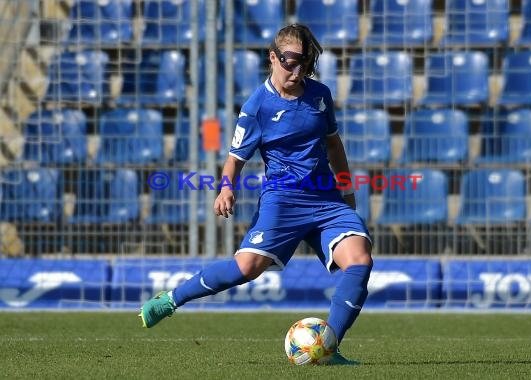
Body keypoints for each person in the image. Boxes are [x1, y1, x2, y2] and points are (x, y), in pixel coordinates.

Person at [139, 24, 373, 365]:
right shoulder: (257, 106)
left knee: (360, 260)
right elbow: (235, 159)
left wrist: (346, 186)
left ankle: (328, 347)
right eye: (289, 62)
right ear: (273, 58)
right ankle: (170, 300)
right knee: (247, 267)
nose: (296, 70)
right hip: (282, 200)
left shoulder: (320, 95)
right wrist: (225, 189)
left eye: (304, 63)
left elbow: (334, 143)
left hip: (325, 200)